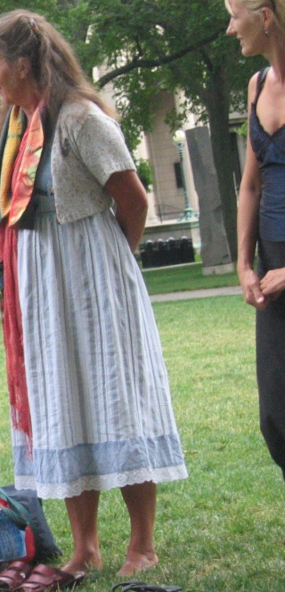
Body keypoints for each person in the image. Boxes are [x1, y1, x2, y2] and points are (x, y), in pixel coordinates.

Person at [0, 10, 188, 589]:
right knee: (61, 401)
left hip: (94, 277)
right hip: (41, 284)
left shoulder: (81, 121)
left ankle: (141, 544)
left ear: (24, 64)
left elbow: (133, 200)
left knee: (113, 397)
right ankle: (85, 547)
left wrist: (110, 264)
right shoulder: (18, 129)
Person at [227, 0, 285, 479]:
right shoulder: (258, 85)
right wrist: (245, 264)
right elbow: (251, 184)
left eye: (234, 14)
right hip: (273, 266)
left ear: (266, 16)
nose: (230, 29)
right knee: (278, 415)